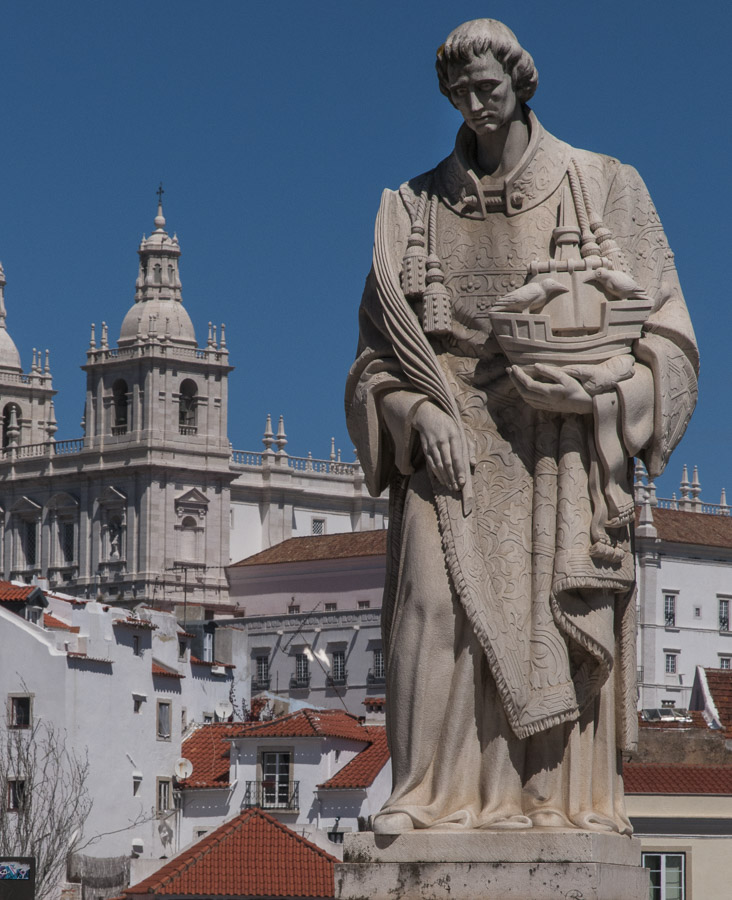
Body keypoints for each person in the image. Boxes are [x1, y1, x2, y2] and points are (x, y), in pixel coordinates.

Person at [345, 18, 698, 834]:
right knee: (432, 609)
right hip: (448, 444)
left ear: (520, 82)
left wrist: (603, 395)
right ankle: (428, 796)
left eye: (488, 88)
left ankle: (554, 803)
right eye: (459, 93)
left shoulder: (603, 185)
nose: (475, 104)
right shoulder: (411, 209)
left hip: (562, 448)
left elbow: (671, 339)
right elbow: (372, 363)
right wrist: (415, 410)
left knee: (555, 623)